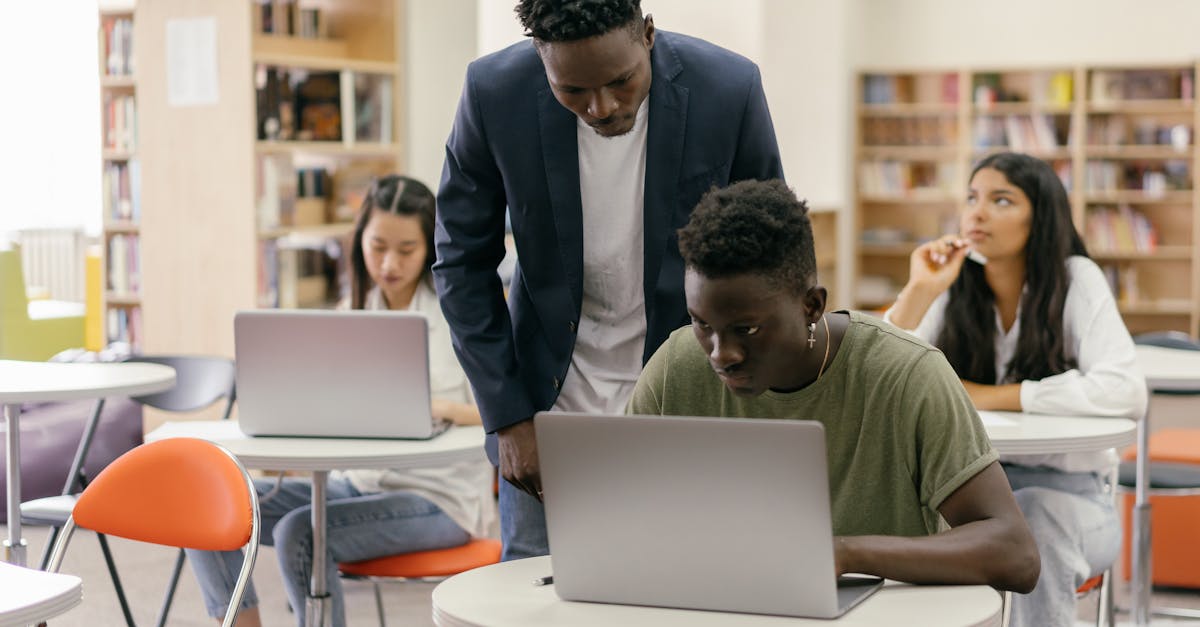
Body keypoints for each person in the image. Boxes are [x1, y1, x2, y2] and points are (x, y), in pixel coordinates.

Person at [433, 0, 785, 561]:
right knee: (533, 602)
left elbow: (773, 252)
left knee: (684, 585)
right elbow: (460, 262)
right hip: (546, 413)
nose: (600, 107)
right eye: (572, 90)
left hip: (687, 399)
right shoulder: (492, 93)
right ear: (539, 57)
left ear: (647, 35)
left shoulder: (728, 87)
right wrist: (509, 419)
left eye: (621, 82)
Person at [627, 178, 1041, 592]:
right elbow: (621, 513)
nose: (721, 354)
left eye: (747, 329)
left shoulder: (907, 373)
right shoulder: (676, 365)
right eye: (703, 324)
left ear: (812, 306)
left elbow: (1015, 554)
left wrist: (843, 554)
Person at [186, 175, 495, 627]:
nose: (389, 263)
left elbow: (502, 413)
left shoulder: (461, 318)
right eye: (377, 246)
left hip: (439, 501)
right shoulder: (351, 314)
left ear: (430, 245)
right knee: (206, 504)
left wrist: (444, 409)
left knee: (301, 532)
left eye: (406, 249)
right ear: (359, 242)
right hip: (355, 484)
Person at [884, 152, 1146, 626]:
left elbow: (1125, 389)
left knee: (1032, 518)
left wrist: (989, 394)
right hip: (967, 499)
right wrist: (920, 289)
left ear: (1040, 216)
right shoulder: (954, 285)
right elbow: (881, 376)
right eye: (971, 198)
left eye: (1001, 200)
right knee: (892, 519)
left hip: (1072, 502)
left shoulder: (1076, 280)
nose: (977, 213)